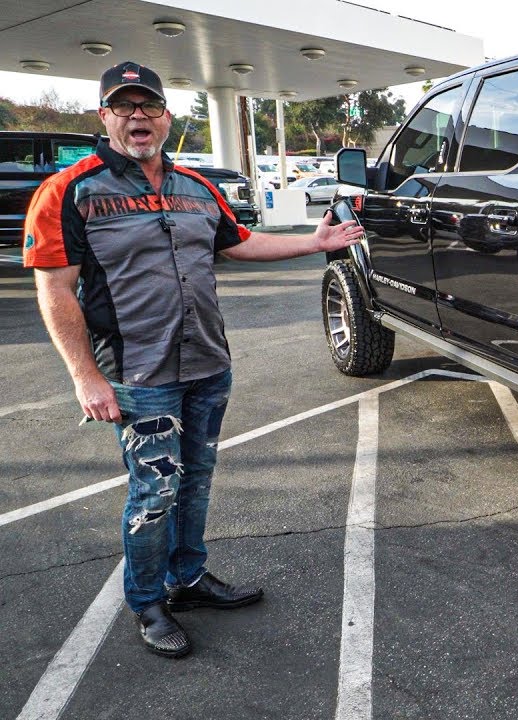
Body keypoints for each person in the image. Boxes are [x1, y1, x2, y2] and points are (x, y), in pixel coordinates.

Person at [22, 61, 365, 658]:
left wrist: (315, 242)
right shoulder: (71, 192)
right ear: (105, 117)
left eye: (147, 107)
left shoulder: (196, 189)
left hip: (207, 365)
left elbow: (240, 242)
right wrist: (85, 376)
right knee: (153, 492)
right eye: (123, 107)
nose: (137, 117)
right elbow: (54, 289)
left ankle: (188, 578)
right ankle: (149, 601)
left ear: (166, 117)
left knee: (196, 483)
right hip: (139, 374)